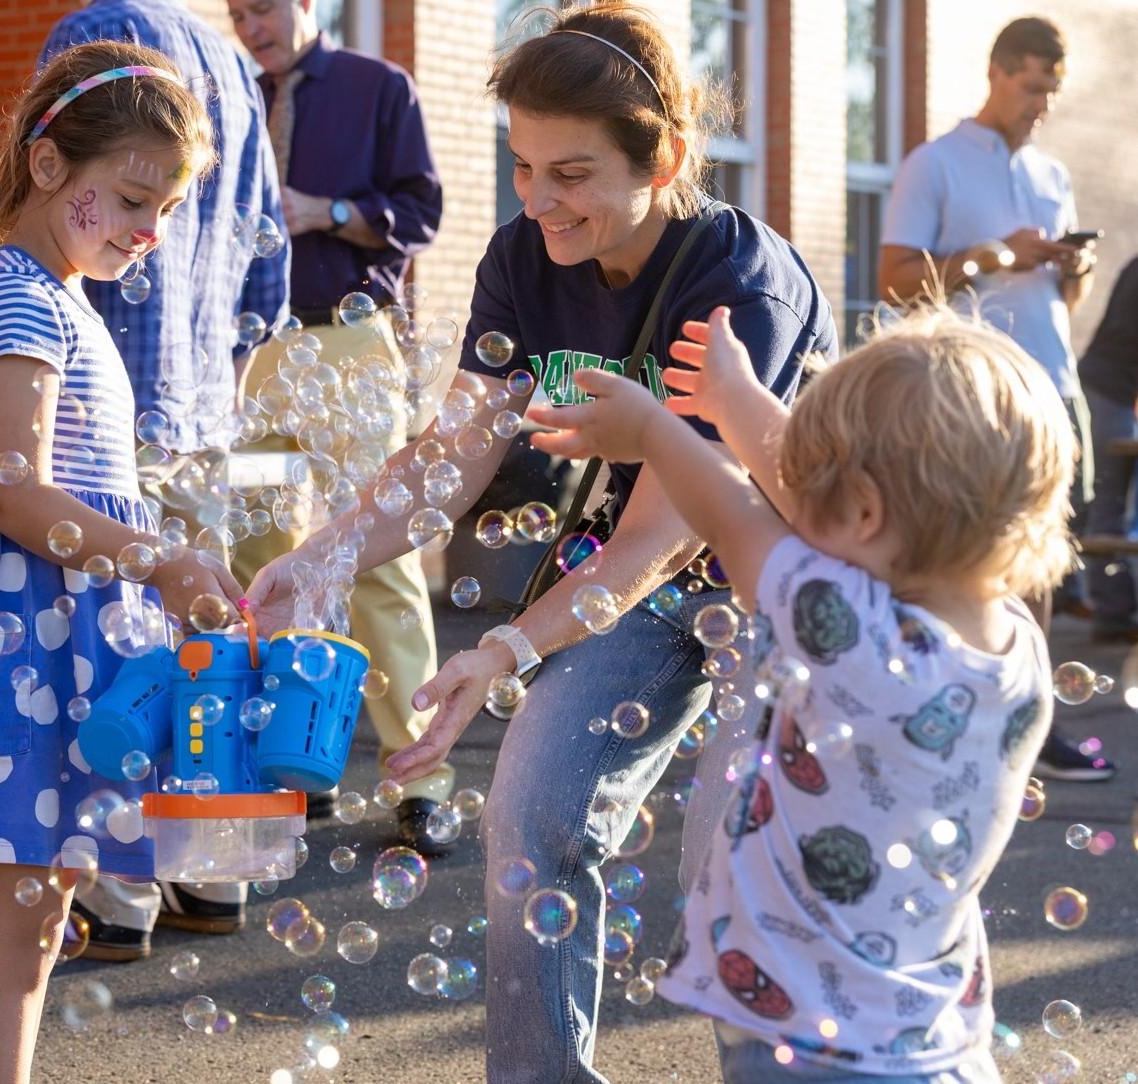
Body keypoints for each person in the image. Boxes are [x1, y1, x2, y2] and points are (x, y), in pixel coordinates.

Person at [248, 5, 837, 1080]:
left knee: (734, 867)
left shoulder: (738, 281)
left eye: (570, 173)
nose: (537, 201)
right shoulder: (523, 257)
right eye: (521, 167)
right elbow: (455, 452)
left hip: (780, 588)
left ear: (658, 155)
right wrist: (325, 553)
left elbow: (666, 530)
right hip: (640, 586)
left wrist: (505, 648)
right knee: (531, 811)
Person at [528, 304, 1068, 1084]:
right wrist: (734, 395)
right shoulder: (1014, 644)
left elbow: (732, 509)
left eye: (814, 487)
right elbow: (828, 514)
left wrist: (653, 431)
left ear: (867, 513)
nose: (790, 495)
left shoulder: (845, 630)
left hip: (815, 1050)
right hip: (933, 1038)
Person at [0, 42, 241, 1082]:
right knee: (9, 949)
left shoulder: (62, 298)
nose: (148, 232)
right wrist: (157, 558)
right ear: (46, 167)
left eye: (166, 212)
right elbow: (15, 490)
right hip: (3, 656)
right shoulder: (17, 300)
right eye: (129, 197)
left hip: (41, 649)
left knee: (32, 937)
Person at [39, 0, 290, 957]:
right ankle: (208, 870)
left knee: (115, 652)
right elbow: (269, 261)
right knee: (203, 643)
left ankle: (118, 891)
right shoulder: (232, 61)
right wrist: (218, 393)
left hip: (100, 408)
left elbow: (58, 197)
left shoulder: (94, 34)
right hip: (201, 402)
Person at [225, 0, 453, 850]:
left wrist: (323, 211)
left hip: (352, 346)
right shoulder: (229, 94)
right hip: (255, 354)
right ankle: (291, 756)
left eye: (266, 7)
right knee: (257, 554)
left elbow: (422, 211)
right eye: (237, 11)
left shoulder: (377, 86)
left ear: (309, 4)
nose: (253, 25)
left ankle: (419, 779)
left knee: (374, 555)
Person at [878, 15, 1111, 783]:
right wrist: (998, 254)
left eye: (1053, 89)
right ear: (999, 71)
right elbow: (897, 281)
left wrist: (1067, 269)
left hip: (1050, 386)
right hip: (969, 395)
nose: (1043, 102)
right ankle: (957, 717)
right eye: (1034, 85)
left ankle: (1030, 722)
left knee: (1039, 566)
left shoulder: (1050, 173)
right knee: (967, 563)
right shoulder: (934, 163)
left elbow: (1060, 303)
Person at [1077, 256, 1138, 640]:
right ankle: (1111, 615)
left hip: (1112, 390)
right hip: (1106, 391)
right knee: (1106, 498)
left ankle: (1109, 607)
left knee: (1104, 500)